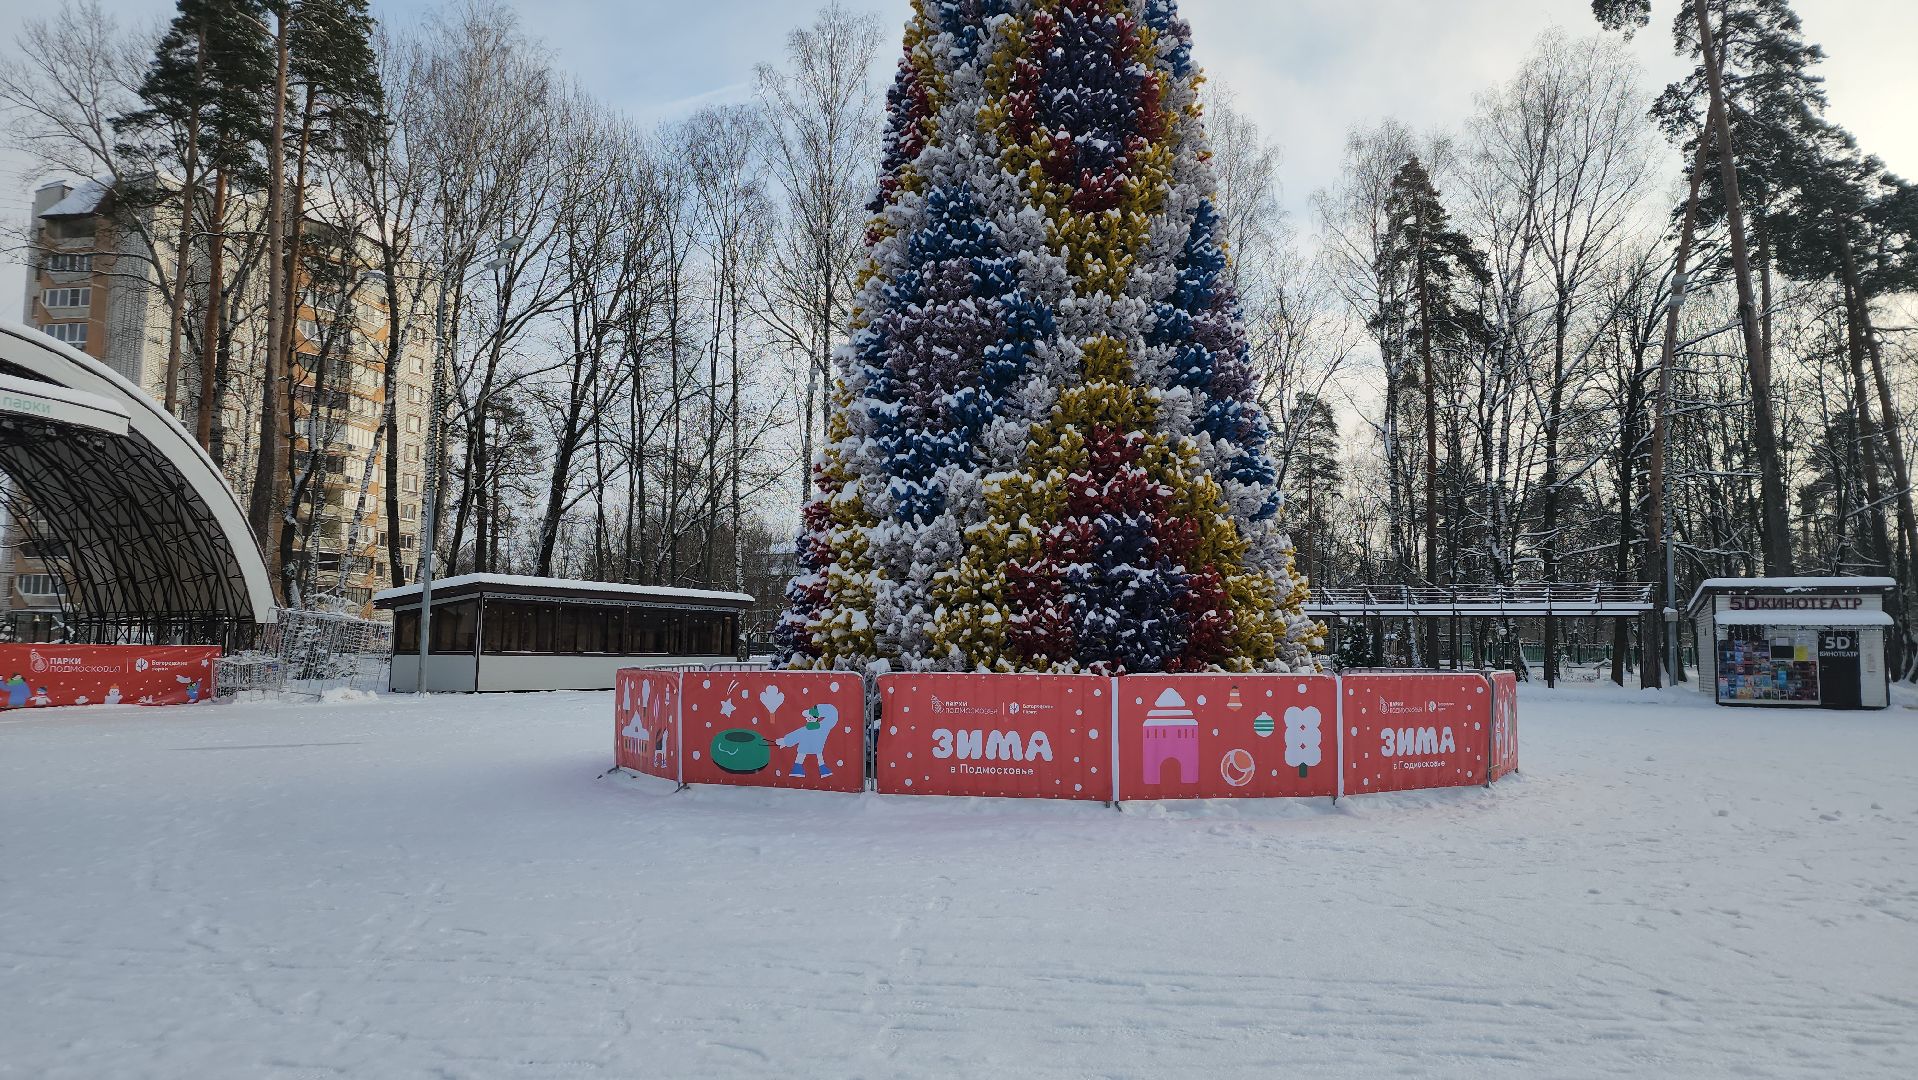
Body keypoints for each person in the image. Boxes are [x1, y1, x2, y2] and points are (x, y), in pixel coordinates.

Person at [775, 703, 838, 779]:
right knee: (814, 756)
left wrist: (785, 741)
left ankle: (799, 769)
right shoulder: (822, 727)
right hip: (814, 747)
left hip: (807, 747)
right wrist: (785, 741)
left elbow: (832, 714)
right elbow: (832, 716)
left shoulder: (820, 727)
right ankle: (821, 769)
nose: (809, 718)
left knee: (805, 755)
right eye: (809, 717)